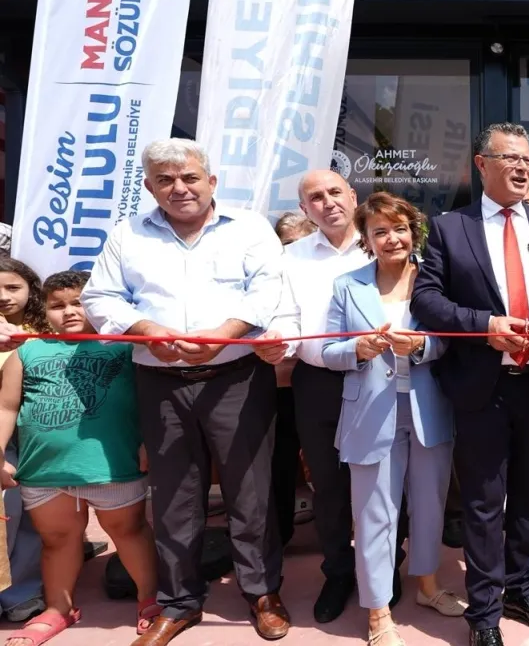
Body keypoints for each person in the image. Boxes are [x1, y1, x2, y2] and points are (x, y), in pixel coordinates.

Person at [82, 138, 289, 646]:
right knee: (174, 496)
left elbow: (267, 290)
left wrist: (225, 334)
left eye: (190, 177)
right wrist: (146, 329)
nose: (180, 188)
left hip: (237, 377)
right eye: (166, 180)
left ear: (211, 181)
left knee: (251, 493)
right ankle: (178, 603)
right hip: (159, 381)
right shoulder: (127, 234)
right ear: (150, 187)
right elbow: (100, 296)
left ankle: (262, 592)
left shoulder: (250, 228)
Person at [413, 123, 529, 646]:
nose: (522, 168)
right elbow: (427, 299)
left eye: (528, 160)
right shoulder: (450, 228)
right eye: (510, 158)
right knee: (485, 504)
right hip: (481, 388)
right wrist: (482, 325)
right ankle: (484, 612)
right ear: (481, 165)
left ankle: (521, 590)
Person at [320, 192, 465, 646]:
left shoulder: (435, 281)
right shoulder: (347, 286)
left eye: (399, 229)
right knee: (374, 515)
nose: (391, 239)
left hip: (428, 410)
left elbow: (453, 339)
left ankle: (427, 586)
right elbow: (328, 350)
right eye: (379, 231)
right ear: (366, 239)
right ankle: (378, 611)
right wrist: (358, 349)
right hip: (370, 413)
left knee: (429, 506)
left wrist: (422, 346)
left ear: (414, 232)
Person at [0, 270, 158, 646]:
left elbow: (150, 402)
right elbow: (6, 406)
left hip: (111, 465)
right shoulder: (26, 351)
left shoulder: (125, 347)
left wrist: (149, 442)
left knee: (129, 532)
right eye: (57, 305)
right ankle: (59, 608)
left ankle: (151, 599)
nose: (69, 311)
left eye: (79, 303)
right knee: (57, 540)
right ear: (44, 309)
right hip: (44, 470)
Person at [254, 171, 369, 624]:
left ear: (352, 196)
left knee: (382, 484)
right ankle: (338, 572)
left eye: (335, 192)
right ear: (305, 210)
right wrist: (278, 342)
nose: (328, 202)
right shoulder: (291, 257)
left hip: (379, 379)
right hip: (318, 381)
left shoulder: (382, 242)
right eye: (315, 198)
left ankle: (382, 570)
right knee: (329, 484)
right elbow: (286, 317)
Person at [0, 258, 46, 626]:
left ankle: (23, 594)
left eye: (13, 287)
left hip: (36, 431)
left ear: (31, 289)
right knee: (6, 513)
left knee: (32, 513)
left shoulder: (48, 328)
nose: (3, 296)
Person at [268, 213, 315, 551]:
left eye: (303, 243)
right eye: (287, 244)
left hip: (318, 384)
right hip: (277, 390)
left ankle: (337, 537)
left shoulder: (325, 275)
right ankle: (279, 535)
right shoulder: (268, 280)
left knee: (327, 466)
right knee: (279, 465)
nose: (294, 250)